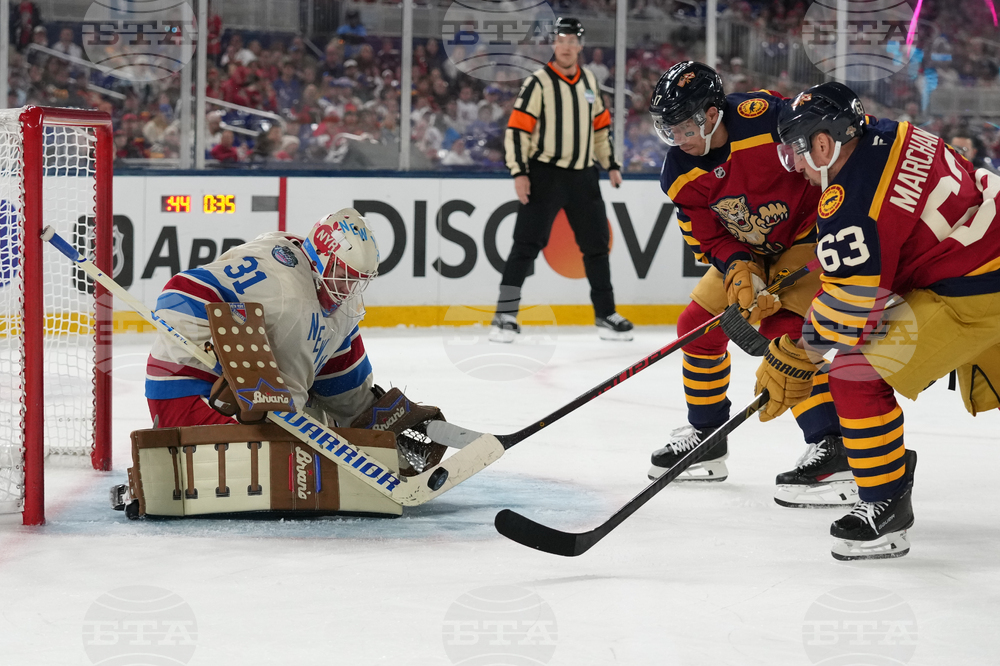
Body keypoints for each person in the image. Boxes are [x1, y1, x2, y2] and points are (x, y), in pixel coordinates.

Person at [754, 81, 1000, 560]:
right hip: (986, 242)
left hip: (975, 286)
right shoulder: (894, 132)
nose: (796, 166)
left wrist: (798, 354)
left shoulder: (850, 200)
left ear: (823, 143)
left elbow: (852, 304)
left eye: (797, 152)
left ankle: (885, 506)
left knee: (855, 373)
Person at [646, 61, 853, 506]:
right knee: (696, 328)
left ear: (712, 114)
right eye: (669, 130)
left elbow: (822, 137)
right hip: (749, 251)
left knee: (786, 337)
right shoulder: (678, 173)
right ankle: (707, 437)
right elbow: (707, 238)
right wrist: (739, 267)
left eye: (685, 127)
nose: (678, 139)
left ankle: (832, 446)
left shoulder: (765, 119)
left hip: (807, 236)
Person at [146, 208, 380, 432]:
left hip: (261, 407)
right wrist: (227, 360)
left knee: (313, 427)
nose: (348, 290)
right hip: (185, 389)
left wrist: (370, 417)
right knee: (284, 452)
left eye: (356, 281)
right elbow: (180, 292)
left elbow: (339, 378)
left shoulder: (333, 300)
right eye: (343, 277)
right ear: (322, 260)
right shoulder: (285, 292)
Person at [493, 17, 633, 342]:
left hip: (584, 176)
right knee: (525, 245)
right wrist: (519, 172)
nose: (566, 46)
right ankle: (504, 316)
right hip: (545, 174)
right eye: (561, 40)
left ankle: (606, 314)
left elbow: (600, 129)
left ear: (580, 46)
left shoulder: (590, 81)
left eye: (572, 41)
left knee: (597, 246)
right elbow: (518, 130)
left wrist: (610, 164)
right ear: (553, 44)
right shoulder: (538, 82)